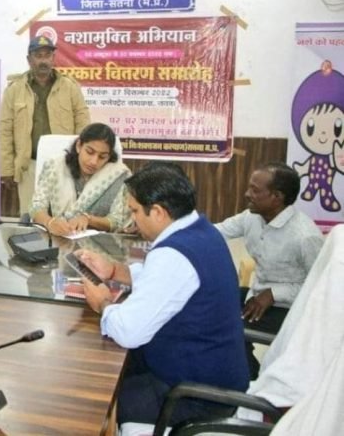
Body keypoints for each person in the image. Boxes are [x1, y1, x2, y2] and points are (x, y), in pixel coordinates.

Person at [72, 162, 248, 425]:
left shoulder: (173, 254)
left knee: (90, 399)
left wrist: (103, 303)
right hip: (207, 373)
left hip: (194, 396)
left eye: (134, 211)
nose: (132, 219)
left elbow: (129, 332)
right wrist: (114, 270)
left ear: (157, 212)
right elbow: (166, 283)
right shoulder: (201, 230)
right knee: (103, 369)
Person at [215, 162, 323, 378]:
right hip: (257, 294)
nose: (247, 194)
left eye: (255, 190)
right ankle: (248, 376)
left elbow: (319, 286)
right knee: (211, 308)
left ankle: (254, 384)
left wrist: (273, 294)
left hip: (291, 308)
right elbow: (215, 232)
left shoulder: (305, 236)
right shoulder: (251, 217)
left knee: (227, 333)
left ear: (277, 197)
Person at [0, 35, 90, 214]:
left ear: (53, 58)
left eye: (47, 55)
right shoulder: (15, 90)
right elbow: (5, 131)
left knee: (63, 215)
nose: (43, 61)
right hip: (29, 166)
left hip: (63, 164)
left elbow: (83, 125)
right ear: (29, 59)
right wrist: (7, 169)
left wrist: (80, 162)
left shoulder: (70, 87)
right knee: (30, 216)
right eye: (38, 56)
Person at [30, 123, 130, 234]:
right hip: (56, 237)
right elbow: (36, 208)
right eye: (89, 152)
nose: (94, 161)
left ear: (109, 156)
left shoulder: (118, 176)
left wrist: (89, 219)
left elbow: (118, 221)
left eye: (102, 157)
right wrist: (50, 222)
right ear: (79, 146)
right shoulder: (54, 167)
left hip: (98, 242)